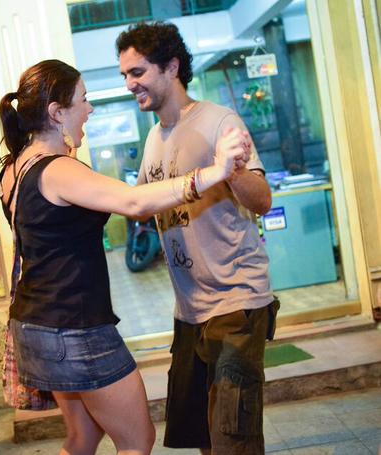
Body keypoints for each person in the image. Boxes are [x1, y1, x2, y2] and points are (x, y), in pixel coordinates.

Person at [0, 59, 252, 455]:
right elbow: (132, 202)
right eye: (84, 100)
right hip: (75, 328)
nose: (90, 109)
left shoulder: (14, 168)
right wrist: (215, 171)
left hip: (36, 327)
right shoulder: (59, 170)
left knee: (83, 437)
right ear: (57, 112)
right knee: (137, 441)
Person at [117, 22, 280, 455]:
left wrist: (234, 168)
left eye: (138, 72)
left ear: (171, 67)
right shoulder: (153, 137)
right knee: (204, 437)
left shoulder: (218, 122)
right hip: (189, 311)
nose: (130, 84)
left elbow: (261, 200)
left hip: (236, 303)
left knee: (233, 439)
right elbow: (144, 202)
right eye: (125, 76)